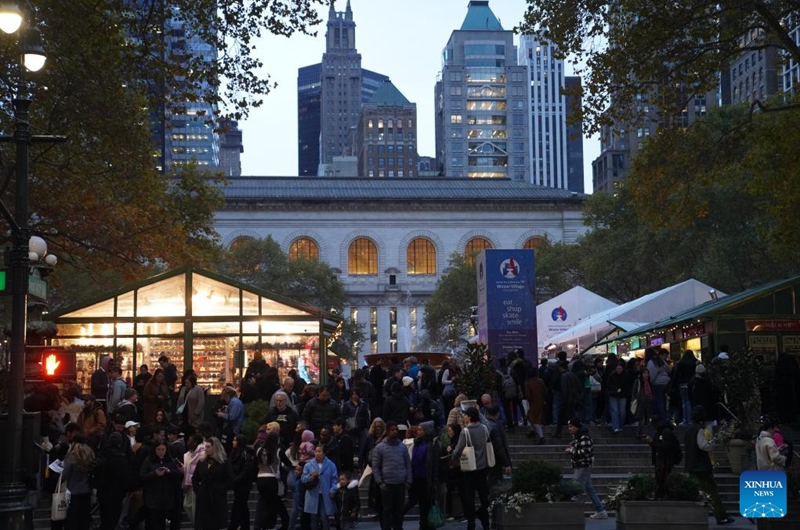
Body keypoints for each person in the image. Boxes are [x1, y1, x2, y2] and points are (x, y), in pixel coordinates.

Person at [684, 406, 734, 525]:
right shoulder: (699, 430)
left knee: (699, 491)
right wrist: (712, 442)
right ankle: (721, 516)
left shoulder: (689, 430)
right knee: (712, 492)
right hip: (701, 466)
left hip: (691, 464)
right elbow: (704, 446)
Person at [450, 408, 492, 530]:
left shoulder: (466, 431)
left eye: (465, 415)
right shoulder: (484, 429)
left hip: (470, 468)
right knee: (483, 495)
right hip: (483, 466)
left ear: (469, 417)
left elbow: (458, 450)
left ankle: (471, 523)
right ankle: (485, 523)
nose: (463, 417)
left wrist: (453, 456)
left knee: (469, 497)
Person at [565, 417, 607, 520]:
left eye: (571, 426)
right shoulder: (577, 437)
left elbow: (585, 452)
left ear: (576, 427)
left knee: (575, 490)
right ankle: (600, 510)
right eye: (568, 427)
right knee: (589, 489)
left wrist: (571, 451)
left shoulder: (584, 437)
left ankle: (572, 514)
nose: (569, 429)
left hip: (583, 465)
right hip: (579, 465)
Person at [372, 421, 412, 530]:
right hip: (387, 485)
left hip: (400, 483)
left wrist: (408, 480)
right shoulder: (380, 447)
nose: (395, 432)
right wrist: (380, 482)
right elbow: (375, 466)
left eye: (396, 430)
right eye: (392, 430)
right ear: (387, 431)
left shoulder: (402, 447)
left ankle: (398, 528)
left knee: (399, 511)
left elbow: (408, 464)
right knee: (387, 511)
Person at [404, 421, 441, 530]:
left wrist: (434, 481)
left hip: (426, 479)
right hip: (415, 478)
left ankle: (424, 526)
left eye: (421, 430)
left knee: (425, 505)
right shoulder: (415, 443)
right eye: (418, 430)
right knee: (412, 501)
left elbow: (434, 464)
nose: (418, 432)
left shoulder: (432, 444)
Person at [140, 437, 182, 530]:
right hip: (152, 498)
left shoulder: (170, 460)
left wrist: (169, 472)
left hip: (166, 498)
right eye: (158, 449)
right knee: (152, 523)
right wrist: (155, 474)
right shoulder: (148, 460)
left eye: (163, 449)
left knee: (161, 524)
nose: (161, 452)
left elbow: (178, 475)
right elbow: (142, 476)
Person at [193, 437, 233, 530]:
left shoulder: (224, 462)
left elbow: (230, 479)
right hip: (203, 495)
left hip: (217, 496)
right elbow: (195, 477)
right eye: (205, 447)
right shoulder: (201, 461)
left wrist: (221, 489)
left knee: (215, 523)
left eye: (208, 447)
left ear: (215, 448)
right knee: (202, 523)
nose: (206, 449)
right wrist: (197, 490)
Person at [254, 431, 289, 530]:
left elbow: (254, 464)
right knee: (273, 502)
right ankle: (276, 523)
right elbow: (287, 462)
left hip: (260, 477)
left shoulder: (259, 450)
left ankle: (259, 524)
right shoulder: (278, 451)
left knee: (263, 501)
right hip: (272, 478)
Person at [61, 435, 95, 530]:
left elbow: (65, 474)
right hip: (87, 490)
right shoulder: (90, 455)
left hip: (73, 492)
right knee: (84, 519)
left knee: (73, 520)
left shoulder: (72, 456)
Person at [303, 444, 339, 530]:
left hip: (325, 494)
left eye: (319, 451)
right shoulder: (308, 465)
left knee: (324, 517)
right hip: (312, 494)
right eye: (316, 451)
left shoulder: (331, 465)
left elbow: (334, 479)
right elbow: (303, 479)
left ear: (324, 453)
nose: (317, 453)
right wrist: (310, 476)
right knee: (313, 519)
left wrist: (332, 490)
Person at [645, 416, 682, 499]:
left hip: (666, 460)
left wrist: (652, 442)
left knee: (664, 479)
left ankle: (664, 494)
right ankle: (661, 494)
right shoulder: (659, 433)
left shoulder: (666, 432)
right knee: (660, 479)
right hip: (661, 461)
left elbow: (665, 447)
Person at [229, 434, 257, 530]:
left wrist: (235, 479)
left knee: (238, 505)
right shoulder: (234, 453)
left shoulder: (245, 455)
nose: (233, 442)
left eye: (235, 440)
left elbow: (246, 471)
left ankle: (234, 526)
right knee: (242, 506)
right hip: (237, 484)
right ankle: (245, 526)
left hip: (243, 485)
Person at [182, 433, 206, 526]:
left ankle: (199, 525)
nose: (187, 442)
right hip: (189, 484)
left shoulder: (202, 453)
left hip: (197, 484)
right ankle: (197, 525)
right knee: (187, 506)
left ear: (195, 442)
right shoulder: (189, 453)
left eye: (189, 440)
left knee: (195, 508)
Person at [524, 367, 548, 444]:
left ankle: (541, 437)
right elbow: (545, 390)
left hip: (533, 403)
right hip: (541, 401)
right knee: (533, 418)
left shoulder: (528, 383)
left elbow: (528, 395)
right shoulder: (540, 381)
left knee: (534, 419)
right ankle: (532, 431)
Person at [217, 386, 245, 451]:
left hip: (234, 429)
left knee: (229, 448)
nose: (224, 398)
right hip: (234, 428)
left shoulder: (234, 402)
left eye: (224, 396)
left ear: (227, 395)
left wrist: (221, 414)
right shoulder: (234, 402)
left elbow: (232, 417)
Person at [607, 363, 629, 434]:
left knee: (622, 412)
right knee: (615, 411)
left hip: (622, 395)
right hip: (613, 395)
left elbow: (627, 386)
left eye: (620, 369)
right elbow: (608, 385)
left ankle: (619, 425)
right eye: (617, 368)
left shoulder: (625, 376)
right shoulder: (611, 376)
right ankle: (616, 426)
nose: (619, 370)